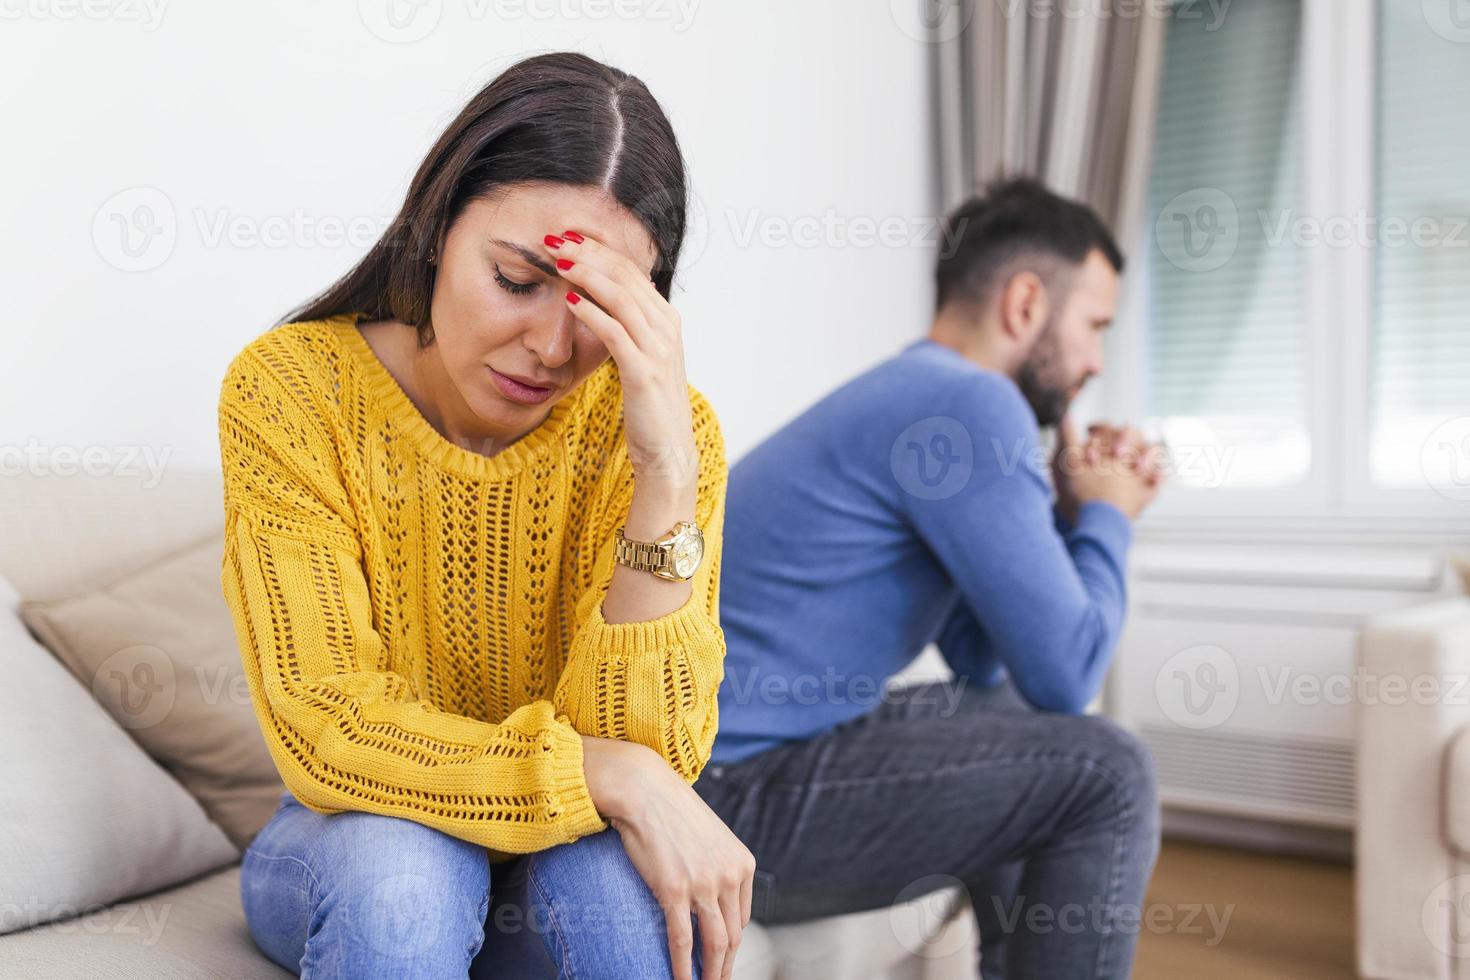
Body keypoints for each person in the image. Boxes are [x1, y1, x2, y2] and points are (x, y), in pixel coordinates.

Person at [219, 52, 753, 980]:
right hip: (352, 830)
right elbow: (330, 726)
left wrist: (664, 477)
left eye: (597, 308)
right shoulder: (290, 393)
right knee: (406, 877)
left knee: (619, 897)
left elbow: (654, 754)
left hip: (569, 844)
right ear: (434, 228)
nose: (551, 348)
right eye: (516, 281)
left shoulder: (663, 431)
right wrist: (604, 773)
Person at [691, 177, 1165, 979]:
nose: (1094, 361)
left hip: (736, 771)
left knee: (1010, 717)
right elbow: (1068, 673)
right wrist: (1108, 513)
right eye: (1093, 326)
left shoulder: (921, 394)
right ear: (1024, 304)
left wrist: (1043, 511)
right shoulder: (972, 406)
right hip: (723, 800)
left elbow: (982, 663)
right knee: (1107, 772)